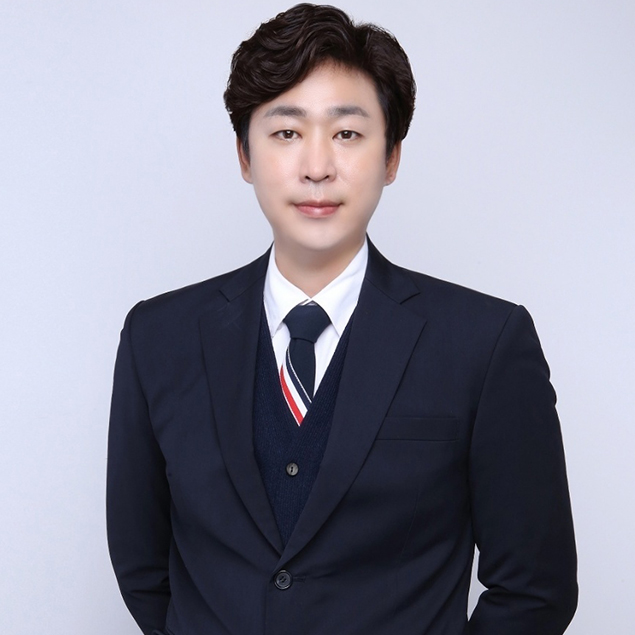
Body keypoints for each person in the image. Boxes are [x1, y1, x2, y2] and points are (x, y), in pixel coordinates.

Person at [106, 4, 578, 634]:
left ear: (391, 157)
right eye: (286, 132)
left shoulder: (484, 344)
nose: (317, 166)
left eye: (348, 134)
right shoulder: (157, 338)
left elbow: (536, 588)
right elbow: (144, 568)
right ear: (244, 155)